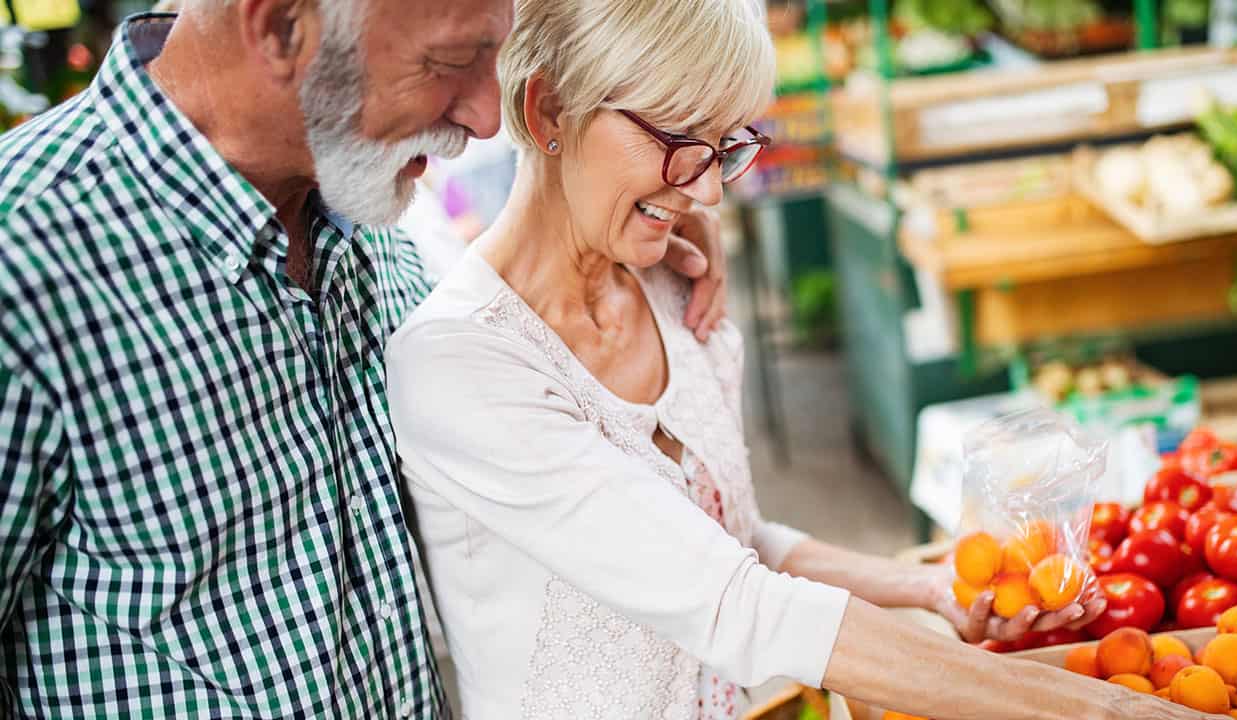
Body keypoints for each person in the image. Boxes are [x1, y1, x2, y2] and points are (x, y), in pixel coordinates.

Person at [385, 2, 1225, 719]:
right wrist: (1102, 705)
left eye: (726, 146)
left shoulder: (677, 293)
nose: (710, 190)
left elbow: (736, 540)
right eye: (681, 140)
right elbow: (733, 603)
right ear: (548, 113)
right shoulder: (463, 369)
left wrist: (931, 592)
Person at [0, 0, 730, 716]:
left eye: (493, 59)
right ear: (283, 28)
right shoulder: (23, 261)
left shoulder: (363, 200)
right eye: (448, 62)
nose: (484, 118)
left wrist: (640, 215)